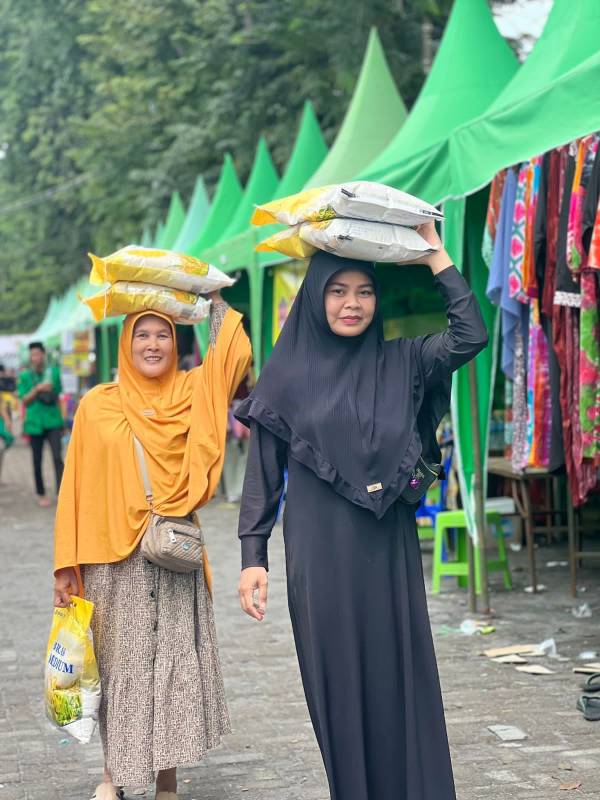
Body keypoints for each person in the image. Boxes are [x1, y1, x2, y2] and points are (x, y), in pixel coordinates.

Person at [235, 221, 488, 800]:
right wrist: (254, 556)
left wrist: (435, 254)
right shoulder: (288, 376)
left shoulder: (403, 363)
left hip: (386, 546)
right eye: (338, 291)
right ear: (315, 296)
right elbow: (263, 472)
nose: (353, 304)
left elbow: (470, 334)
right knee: (338, 687)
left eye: (365, 291)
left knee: (399, 676)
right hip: (319, 554)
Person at [53, 295, 251, 800]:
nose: (152, 343)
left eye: (163, 334)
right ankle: (112, 778)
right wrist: (65, 565)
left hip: (170, 552)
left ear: (176, 342)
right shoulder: (98, 404)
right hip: (109, 559)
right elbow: (74, 483)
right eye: (142, 334)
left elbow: (233, 358)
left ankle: (167, 781)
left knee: (171, 668)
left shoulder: (191, 391)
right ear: (126, 342)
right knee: (118, 669)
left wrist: (213, 305)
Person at [17, 342, 64, 506]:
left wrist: (63, 422)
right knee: (37, 459)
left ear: (43, 354)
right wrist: (37, 389)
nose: (34, 358)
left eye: (37, 354)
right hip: (34, 422)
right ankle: (41, 493)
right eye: (32, 355)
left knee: (58, 457)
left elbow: (58, 394)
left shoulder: (53, 372)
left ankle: (62, 492)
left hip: (53, 420)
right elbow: (25, 400)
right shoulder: (25, 376)